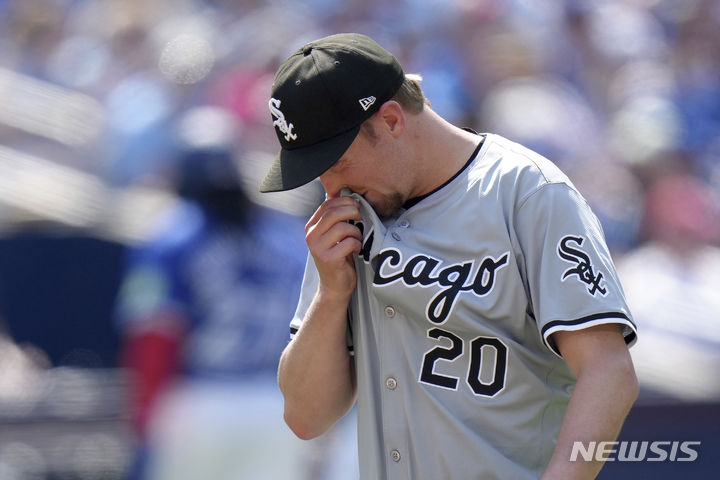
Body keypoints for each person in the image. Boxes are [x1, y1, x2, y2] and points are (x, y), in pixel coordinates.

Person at [260, 33, 639, 480]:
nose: (328, 187)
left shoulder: (526, 192)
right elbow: (306, 418)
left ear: (392, 120)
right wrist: (330, 295)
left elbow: (609, 372)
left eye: (336, 162)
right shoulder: (349, 216)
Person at [114, 126, 353, 479]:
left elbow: (154, 336)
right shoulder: (287, 236)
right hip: (278, 405)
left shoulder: (169, 236)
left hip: (201, 401)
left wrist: (146, 419)